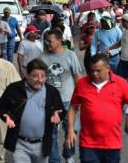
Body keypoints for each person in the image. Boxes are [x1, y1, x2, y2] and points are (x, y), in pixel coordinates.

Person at [66, 54, 128, 163]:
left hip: (112, 143)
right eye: (92, 70)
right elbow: (73, 108)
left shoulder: (120, 83)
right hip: (88, 143)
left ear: (108, 68)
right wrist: (70, 129)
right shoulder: (82, 84)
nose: (94, 74)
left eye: (98, 70)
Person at [0, 58, 66, 163]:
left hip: (42, 145)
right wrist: (5, 115)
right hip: (20, 144)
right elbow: (1, 107)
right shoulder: (14, 89)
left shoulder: (52, 91)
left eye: (43, 76)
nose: (40, 79)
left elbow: (60, 110)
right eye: (35, 76)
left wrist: (57, 115)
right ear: (27, 75)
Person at [40, 29, 82, 163]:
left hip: (69, 101)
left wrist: (80, 97)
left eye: (50, 41)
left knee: (73, 130)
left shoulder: (70, 55)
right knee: (50, 134)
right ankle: (54, 160)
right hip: (50, 103)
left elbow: (77, 77)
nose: (47, 43)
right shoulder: (42, 57)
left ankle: (69, 155)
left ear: (59, 40)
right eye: (46, 41)